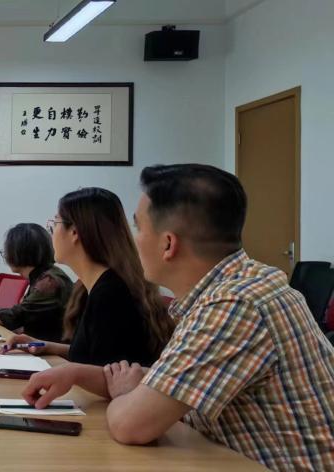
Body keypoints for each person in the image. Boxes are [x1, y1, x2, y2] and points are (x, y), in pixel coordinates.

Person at [21, 165, 334, 470]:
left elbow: (131, 424)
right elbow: (168, 381)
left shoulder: (233, 304)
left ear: (168, 244)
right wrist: (76, 373)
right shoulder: (244, 284)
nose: (133, 240)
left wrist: (127, 395)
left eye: (139, 228)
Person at [1, 188, 173, 366]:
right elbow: (92, 355)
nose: (51, 233)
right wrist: (45, 345)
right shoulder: (92, 286)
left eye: (55, 224)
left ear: (75, 232)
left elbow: (105, 371)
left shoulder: (111, 295)